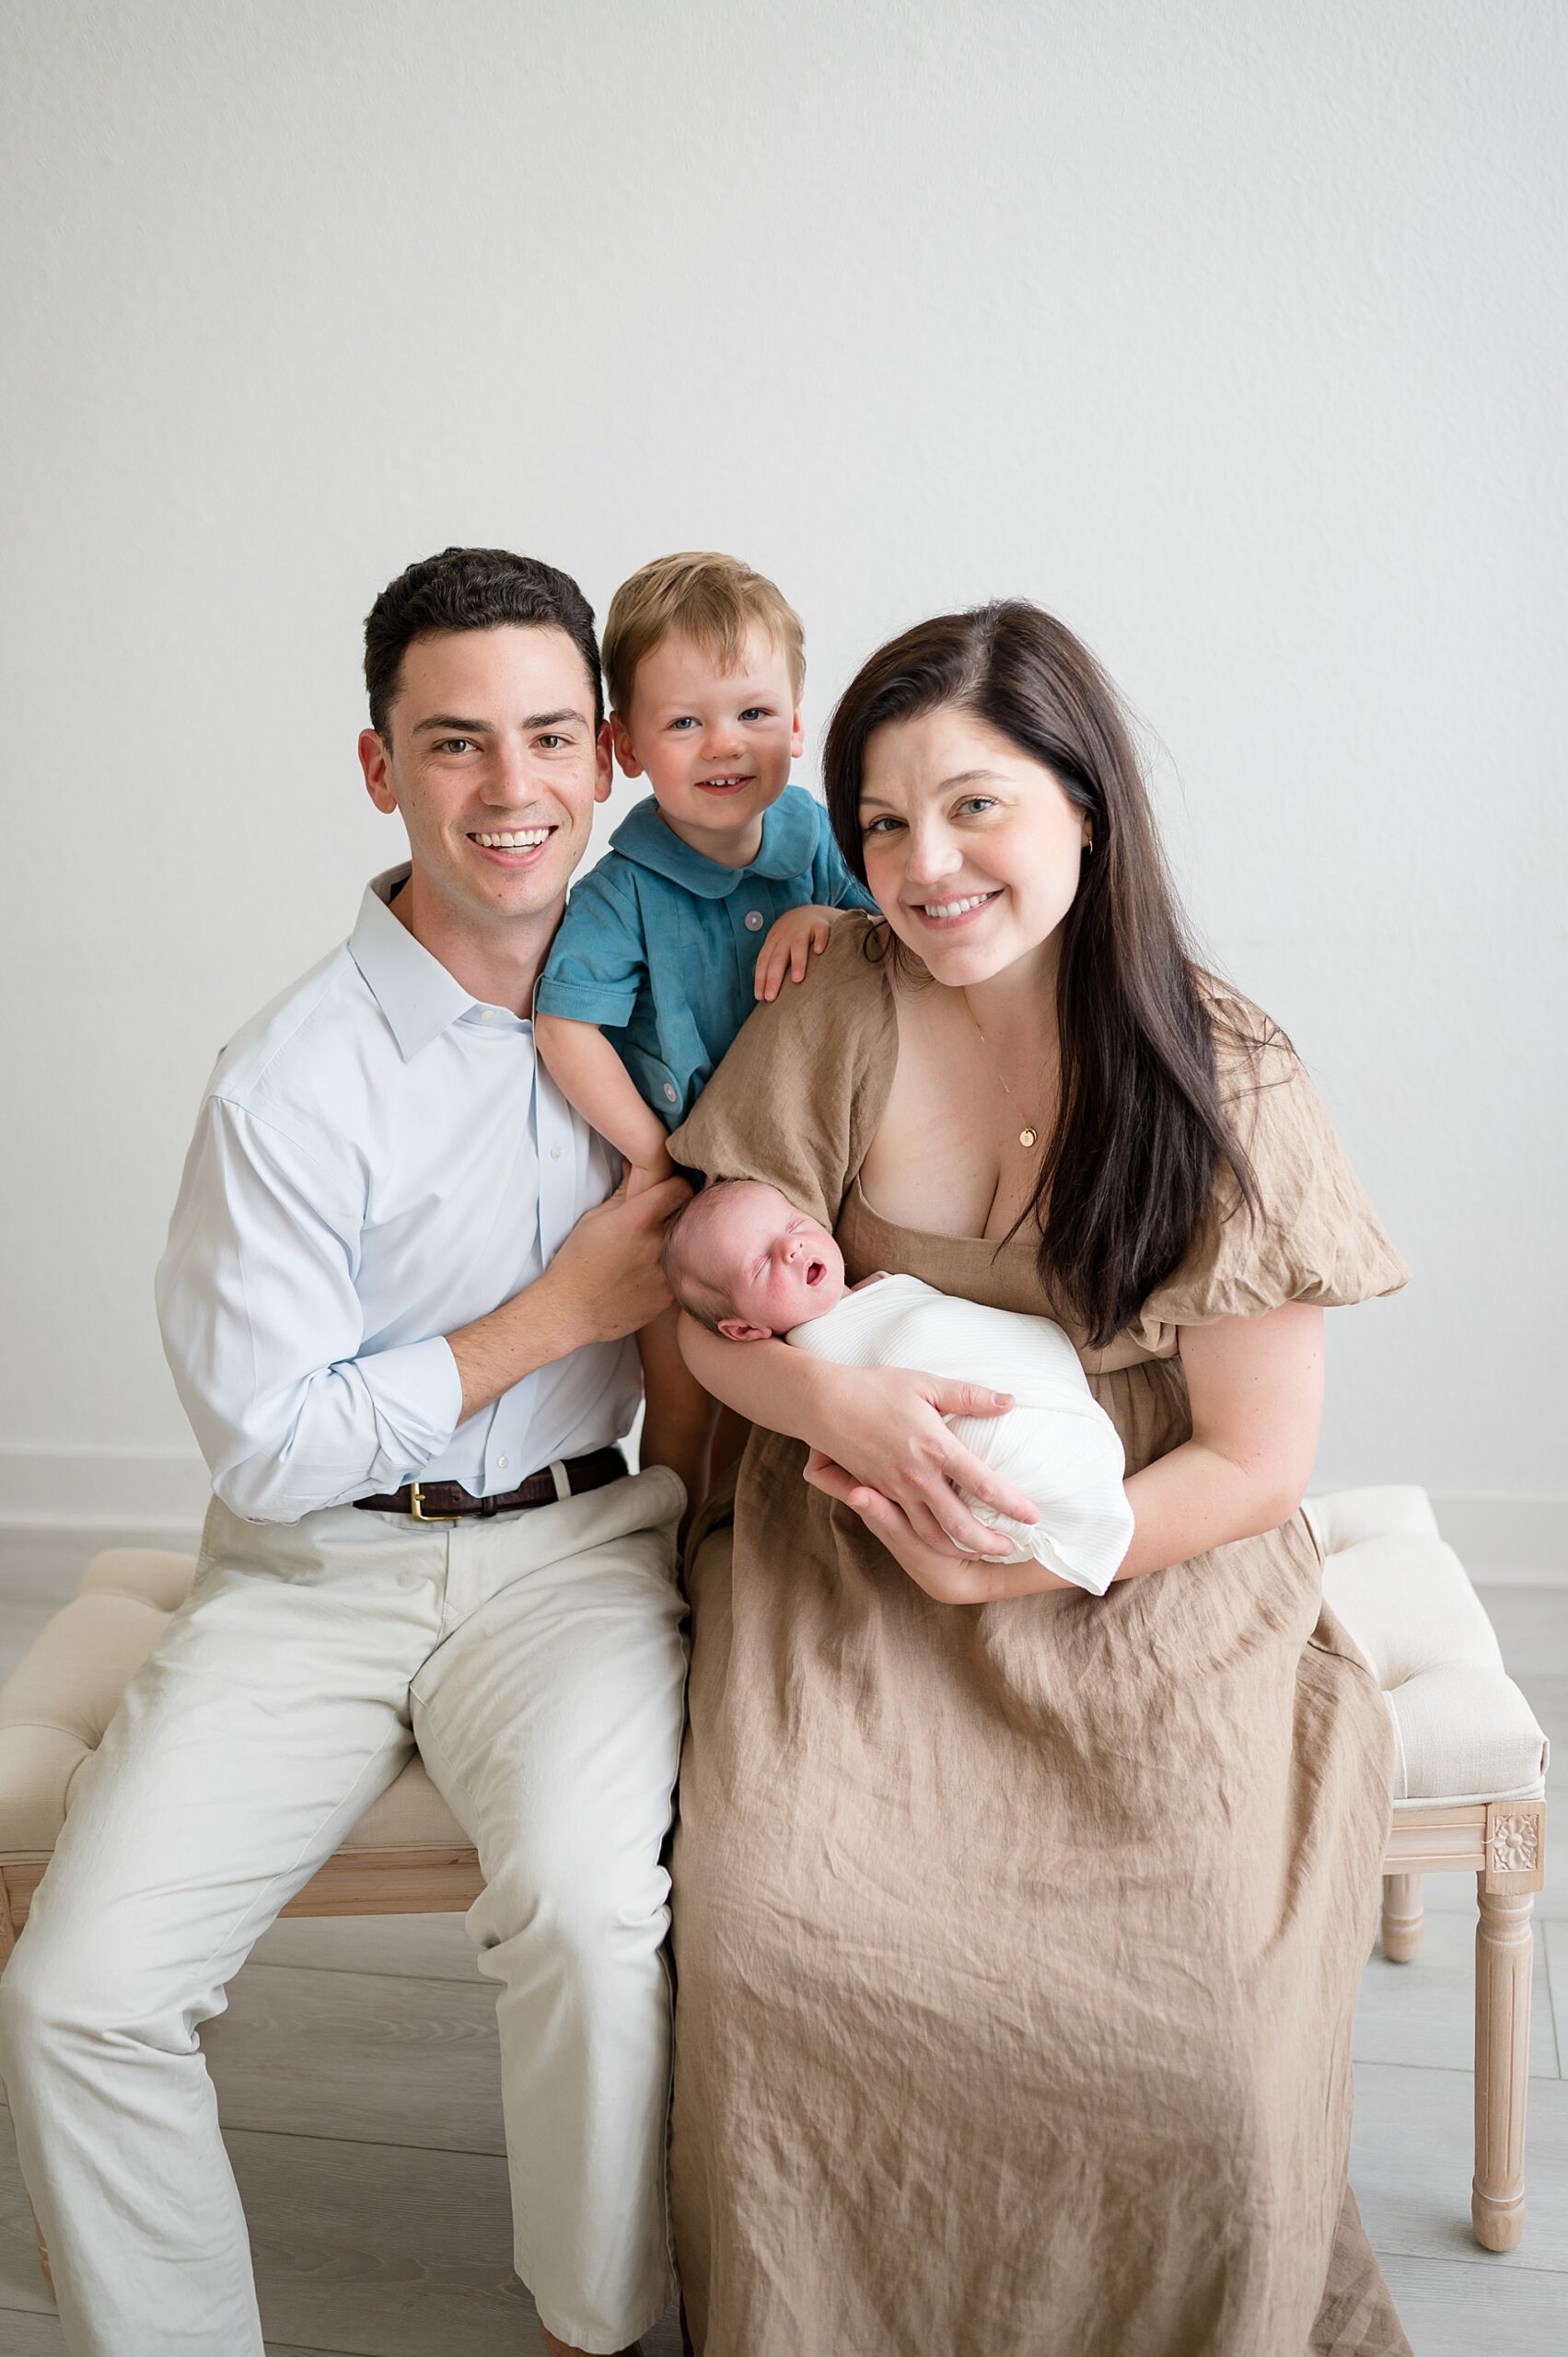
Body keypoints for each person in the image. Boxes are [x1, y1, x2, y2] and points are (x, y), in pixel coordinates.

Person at [664, 601, 1414, 2354]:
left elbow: (1253, 1459)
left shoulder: (1223, 1070)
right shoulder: (840, 1006)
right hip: (848, 1545)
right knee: (782, 1952)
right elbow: (706, 1319)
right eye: (880, 822)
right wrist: (831, 1420)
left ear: (1087, 806)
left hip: (1136, 1566)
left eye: (974, 806)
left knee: (1194, 2051)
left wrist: (1027, 1562)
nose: (924, 866)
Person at [0, 547, 693, 2357]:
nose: (511, 786)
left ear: (607, 751)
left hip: (571, 1554)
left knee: (584, 1907)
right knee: (78, 1992)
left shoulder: (681, 1004)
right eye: (454, 743)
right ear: (379, 768)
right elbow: (274, 1443)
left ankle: (595, 2324)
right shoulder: (287, 1081)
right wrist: (556, 1310)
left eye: (549, 735)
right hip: (310, 1571)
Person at [533, 551, 874, 1512]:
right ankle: (673, 1575)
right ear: (626, 747)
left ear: (798, 723)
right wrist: (651, 1157)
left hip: (815, 1174)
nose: (723, 744)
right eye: (684, 722)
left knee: (817, 1384)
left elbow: (901, 943)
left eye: (753, 714)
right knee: (686, 1402)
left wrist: (836, 922)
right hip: (700, 1194)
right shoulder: (624, 888)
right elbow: (565, 1025)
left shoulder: (817, 839)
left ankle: (775, 1566)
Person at [662, 1176, 1133, 1590]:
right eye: (761, 1264)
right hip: (979, 1477)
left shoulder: (874, 1291)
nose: (791, 1247)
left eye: (793, 1225)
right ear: (744, 1331)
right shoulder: (808, 1356)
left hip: (1050, 1428)